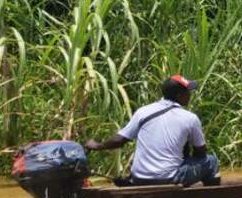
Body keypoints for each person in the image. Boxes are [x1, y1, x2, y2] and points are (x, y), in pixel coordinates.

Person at [83, 75, 220, 186]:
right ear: (179, 95)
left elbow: (119, 140)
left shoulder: (143, 111)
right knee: (211, 161)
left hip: (139, 178)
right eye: (187, 91)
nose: (190, 94)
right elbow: (201, 154)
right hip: (169, 178)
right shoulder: (190, 118)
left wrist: (97, 146)